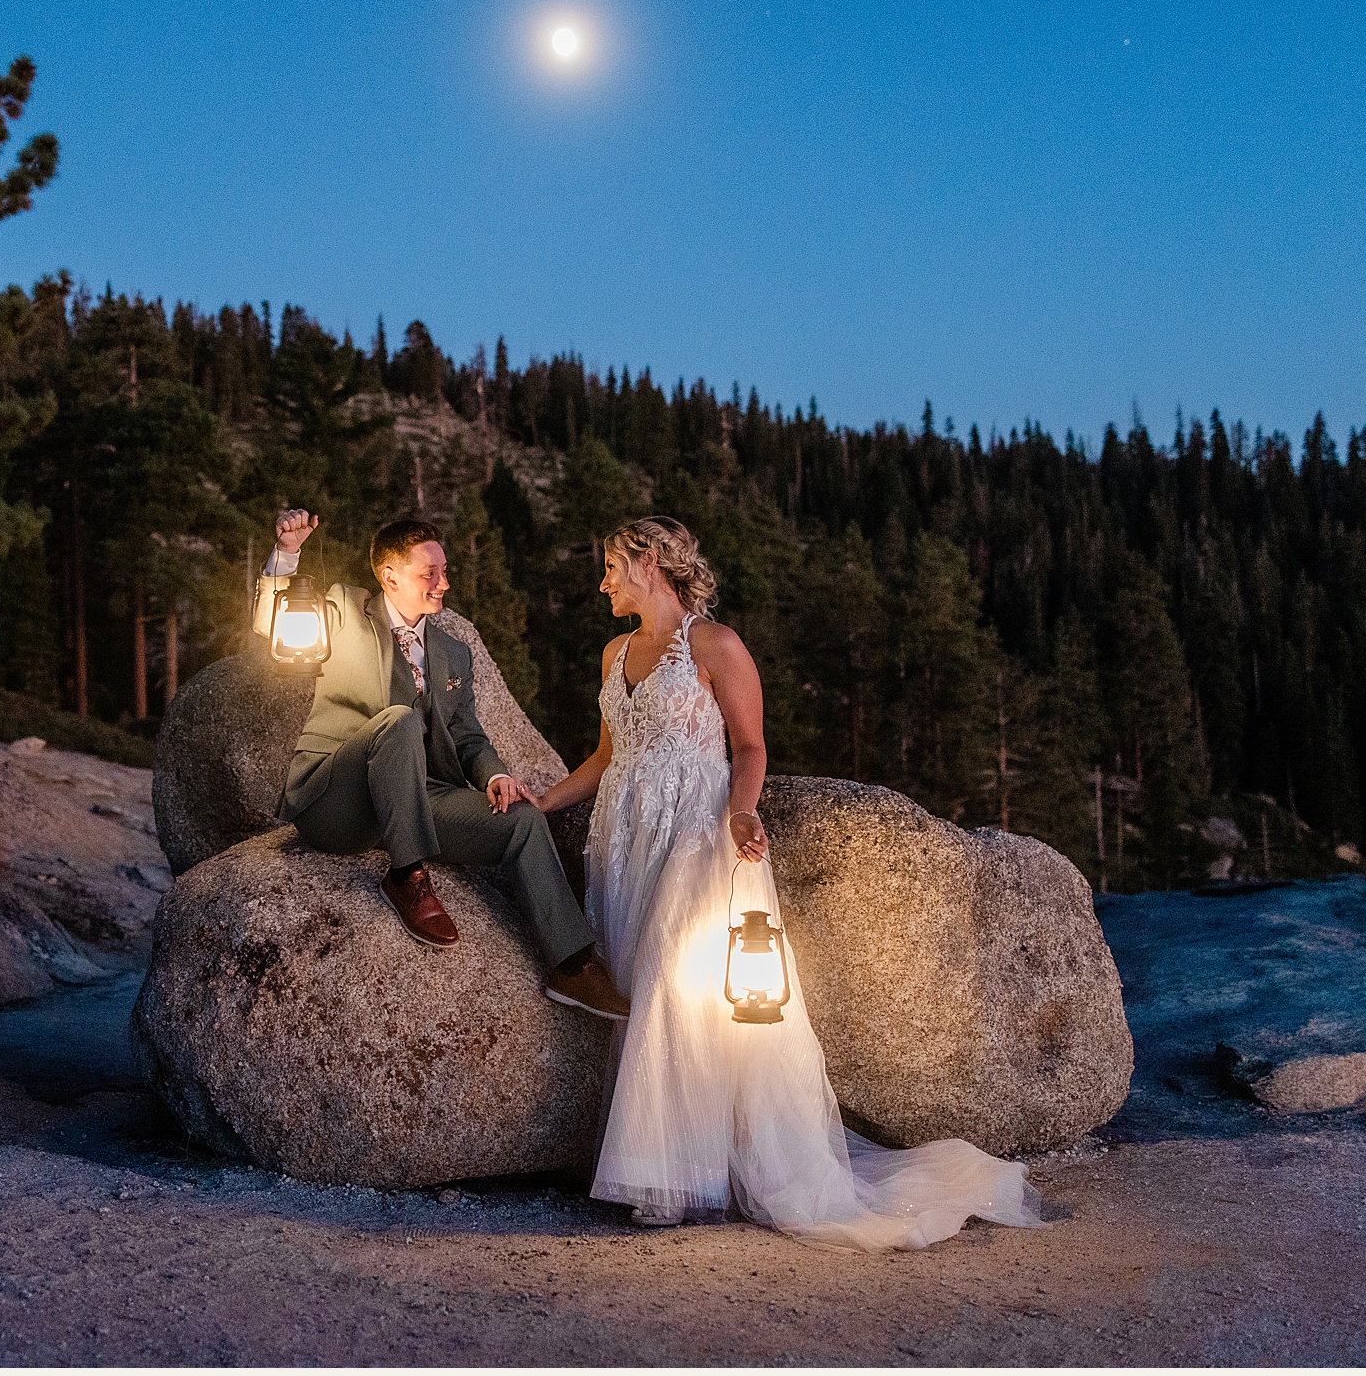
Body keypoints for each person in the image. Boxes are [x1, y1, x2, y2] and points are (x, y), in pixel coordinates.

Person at [532, 516, 1046, 1249]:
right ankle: (654, 1159)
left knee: (677, 999)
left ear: (650, 561)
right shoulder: (614, 653)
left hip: (697, 838)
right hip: (627, 839)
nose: (604, 580)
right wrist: (542, 799)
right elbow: (608, 753)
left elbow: (749, 743)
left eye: (612, 564)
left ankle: (677, 1178)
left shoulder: (715, 646)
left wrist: (742, 812)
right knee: (636, 987)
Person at [253, 508, 631, 1020]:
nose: (444, 583)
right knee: (400, 721)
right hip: (337, 799)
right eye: (429, 573)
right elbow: (270, 626)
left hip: (417, 796)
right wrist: (288, 555)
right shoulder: (342, 608)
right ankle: (407, 876)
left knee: (521, 819)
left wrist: (496, 775)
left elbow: (467, 734)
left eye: (445, 570)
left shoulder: (454, 651)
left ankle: (572, 964)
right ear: (390, 577)